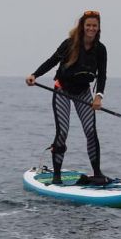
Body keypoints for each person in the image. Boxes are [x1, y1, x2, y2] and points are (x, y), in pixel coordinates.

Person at [25, 10, 108, 185]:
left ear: (98, 28)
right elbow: (52, 61)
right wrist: (35, 75)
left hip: (84, 92)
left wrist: (98, 96)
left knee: (91, 132)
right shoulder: (69, 44)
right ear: (82, 27)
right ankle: (56, 175)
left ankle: (97, 173)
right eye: (88, 25)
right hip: (62, 90)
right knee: (63, 131)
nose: (91, 28)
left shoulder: (100, 49)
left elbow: (102, 76)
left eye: (94, 25)